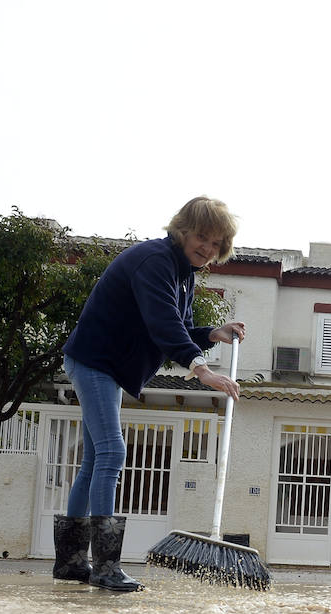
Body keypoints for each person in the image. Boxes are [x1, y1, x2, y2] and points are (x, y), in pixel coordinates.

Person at [54, 196, 247, 592]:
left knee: (94, 459)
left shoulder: (183, 274)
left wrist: (212, 334)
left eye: (215, 244)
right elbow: (163, 324)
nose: (207, 248)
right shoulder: (155, 260)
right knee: (112, 452)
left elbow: (178, 327)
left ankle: (71, 562)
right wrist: (202, 370)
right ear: (182, 230)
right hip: (95, 360)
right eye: (201, 237)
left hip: (105, 366)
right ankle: (104, 566)